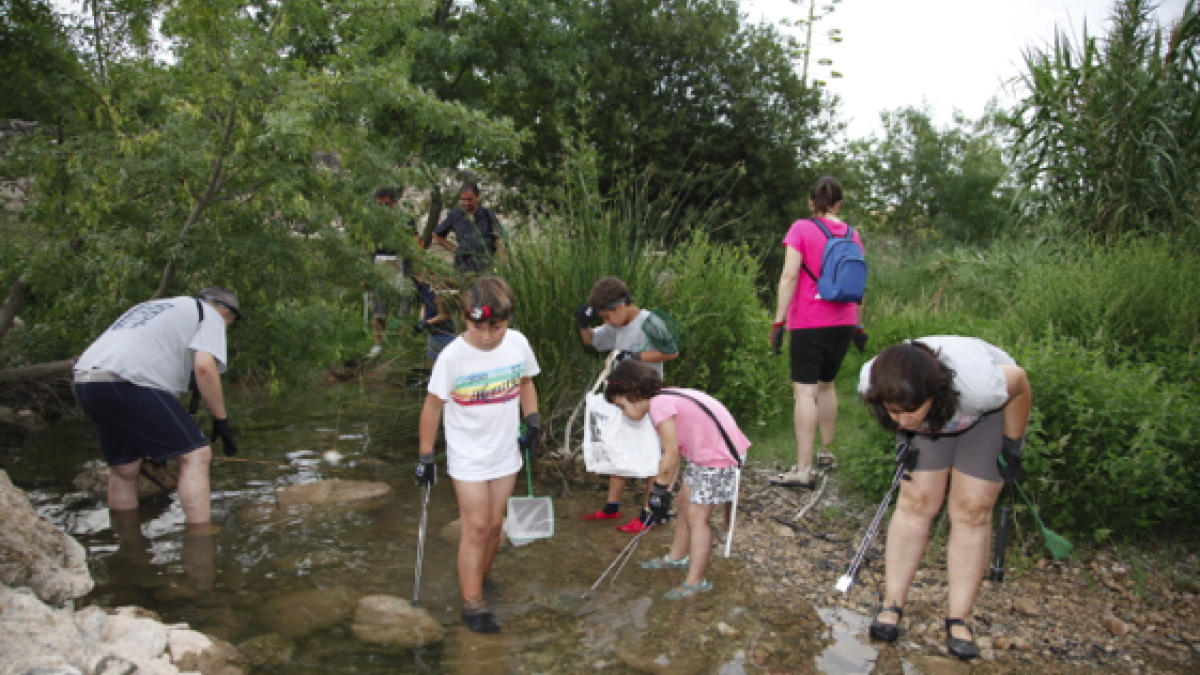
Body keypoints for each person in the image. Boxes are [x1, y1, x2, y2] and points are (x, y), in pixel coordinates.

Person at [858, 336, 1031, 660]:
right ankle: (892, 605)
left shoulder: (981, 385)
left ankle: (958, 618)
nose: (902, 420)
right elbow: (902, 414)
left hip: (986, 415)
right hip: (929, 407)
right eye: (893, 412)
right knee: (917, 500)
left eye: (909, 411)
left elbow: (1020, 385)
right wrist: (905, 425)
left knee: (972, 508)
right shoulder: (874, 380)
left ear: (932, 395)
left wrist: (1013, 446)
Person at [415, 276, 540, 634]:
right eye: (478, 327)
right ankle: (472, 602)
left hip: (505, 452)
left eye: (496, 327)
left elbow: (527, 382)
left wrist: (532, 419)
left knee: (496, 527)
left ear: (508, 320)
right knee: (477, 527)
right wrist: (425, 458)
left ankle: (483, 579)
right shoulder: (453, 356)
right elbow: (432, 407)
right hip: (467, 455)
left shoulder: (517, 344)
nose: (487, 336)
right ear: (465, 320)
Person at [73, 287, 241, 534]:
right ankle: (201, 538)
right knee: (195, 455)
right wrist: (221, 420)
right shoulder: (210, 314)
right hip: (127, 382)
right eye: (230, 324)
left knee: (124, 470)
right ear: (226, 312)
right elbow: (205, 368)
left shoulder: (153, 307)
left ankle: (128, 544)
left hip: (86, 381)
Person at [602, 360, 750, 599]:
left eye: (621, 406)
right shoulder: (663, 399)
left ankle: (695, 581)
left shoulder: (659, 405)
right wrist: (665, 493)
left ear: (633, 394)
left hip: (720, 456)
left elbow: (670, 455)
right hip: (704, 455)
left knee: (697, 516)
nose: (623, 412)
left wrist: (657, 492)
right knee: (684, 503)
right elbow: (675, 455)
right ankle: (677, 557)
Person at [769, 177, 865, 488]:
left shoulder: (801, 228)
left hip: (810, 320)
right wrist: (858, 325)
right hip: (844, 321)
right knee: (827, 386)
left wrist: (778, 321)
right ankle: (826, 451)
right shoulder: (853, 235)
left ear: (812, 203)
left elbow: (788, 275)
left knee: (805, 393)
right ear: (840, 204)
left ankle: (803, 468)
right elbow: (858, 283)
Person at [575, 276, 680, 534]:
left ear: (620, 306)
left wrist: (636, 356)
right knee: (617, 446)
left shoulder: (650, 322)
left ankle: (648, 513)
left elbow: (672, 351)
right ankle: (612, 506)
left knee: (651, 453)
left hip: (647, 397)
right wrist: (583, 324)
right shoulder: (614, 325)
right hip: (624, 398)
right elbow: (591, 341)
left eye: (607, 317)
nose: (606, 323)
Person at [366, 186, 419, 357]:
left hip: (402, 269)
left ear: (395, 203)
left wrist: (417, 268)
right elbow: (367, 246)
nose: (382, 209)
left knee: (402, 309)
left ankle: (398, 345)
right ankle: (378, 344)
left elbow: (415, 244)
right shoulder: (372, 221)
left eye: (386, 204)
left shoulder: (407, 220)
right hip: (379, 269)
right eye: (378, 205)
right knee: (378, 309)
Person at [432, 182, 506, 274]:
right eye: (463, 200)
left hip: (486, 267)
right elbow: (436, 234)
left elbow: (499, 239)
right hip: (463, 267)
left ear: (477, 197)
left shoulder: (488, 215)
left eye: (469, 199)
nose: (466, 203)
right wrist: (453, 249)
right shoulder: (455, 215)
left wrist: (500, 264)